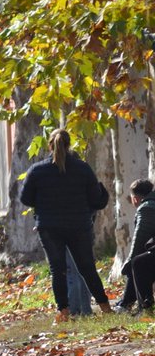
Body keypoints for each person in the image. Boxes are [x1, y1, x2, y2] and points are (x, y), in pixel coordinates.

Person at [19, 128, 113, 322]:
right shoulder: (82, 168)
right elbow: (96, 200)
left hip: (49, 226)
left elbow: (25, 198)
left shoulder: (37, 171)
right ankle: (105, 308)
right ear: (69, 145)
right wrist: (101, 192)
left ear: (49, 145)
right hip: (78, 225)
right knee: (87, 268)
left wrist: (43, 201)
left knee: (58, 270)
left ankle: (63, 312)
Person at [118, 178, 155, 312]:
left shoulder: (146, 209)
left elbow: (140, 238)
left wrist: (128, 261)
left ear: (135, 198)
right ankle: (125, 303)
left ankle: (144, 306)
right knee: (140, 261)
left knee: (138, 263)